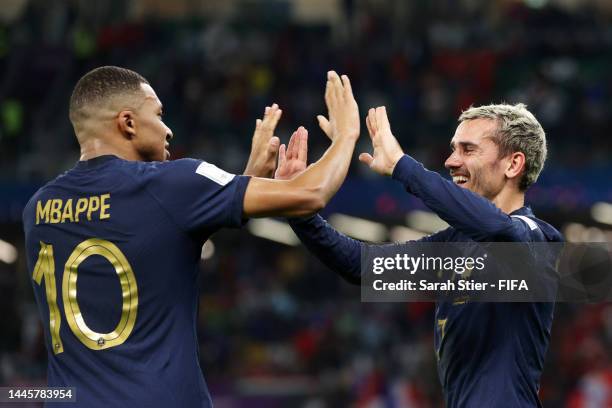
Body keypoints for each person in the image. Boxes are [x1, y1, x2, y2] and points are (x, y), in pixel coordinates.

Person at [22, 66, 360, 407]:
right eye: (159, 114)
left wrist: (243, 183)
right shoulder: (171, 183)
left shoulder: (37, 210)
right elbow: (312, 194)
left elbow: (159, 237)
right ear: (128, 123)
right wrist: (346, 135)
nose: (168, 130)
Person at [276, 104, 564, 407]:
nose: (451, 161)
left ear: (513, 164)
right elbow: (362, 266)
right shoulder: (455, 248)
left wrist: (402, 166)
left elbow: (498, 229)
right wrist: (300, 212)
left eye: (468, 150)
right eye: (453, 149)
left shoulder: (536, 238)